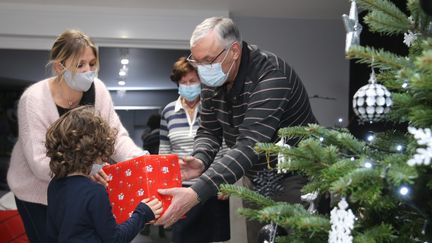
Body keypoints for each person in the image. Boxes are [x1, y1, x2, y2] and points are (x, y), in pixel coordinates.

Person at [156, 17, 318, 243]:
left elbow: (250, 144)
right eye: (197, 62)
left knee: (293, 238)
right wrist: (201, 159)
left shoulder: (271, 75)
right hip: (254, 176)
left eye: (208, 60)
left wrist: (195, 193)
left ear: (233, 51)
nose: (202, 70)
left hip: (295, 175)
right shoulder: (212, 82)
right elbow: (210, 131)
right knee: (258, 238)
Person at [6, 29, 145, 243]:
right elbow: (39, 162)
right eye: (80, 65)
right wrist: (87, 170)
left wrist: (141, 160)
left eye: (92, 63)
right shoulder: (33, 99)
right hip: (37, 190)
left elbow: (115, 137)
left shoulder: (97, 89)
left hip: (79, 185)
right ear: (59, 67)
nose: (88, 70)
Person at [45, 106, 162, 242]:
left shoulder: (54, 185)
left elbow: (52, 234)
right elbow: (115, 238)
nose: (104, 160)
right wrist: (143, 213)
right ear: (95, 151)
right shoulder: (95, 192)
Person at [159, 57, 230, 243]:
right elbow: (164, 153)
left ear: (201, 81)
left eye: (192, 81)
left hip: (213, 189)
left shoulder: (213, 108)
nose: (188, 86)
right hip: (182, 191)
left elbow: (224, 146)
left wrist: (227, 182)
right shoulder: (168, 112)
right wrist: (164, 187)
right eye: (183, 82)